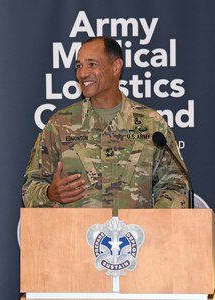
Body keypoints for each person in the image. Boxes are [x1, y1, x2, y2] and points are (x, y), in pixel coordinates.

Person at [22, 36, 189, 211]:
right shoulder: (60, 124)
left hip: (136, 236)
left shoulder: (151, 123)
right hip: (74, 236)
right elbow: (29, 189)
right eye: (79, 66)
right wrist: (49, 194)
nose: (83, 73)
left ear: (116, 67)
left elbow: (176, 185)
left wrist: (152, 223)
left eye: (92, 64)